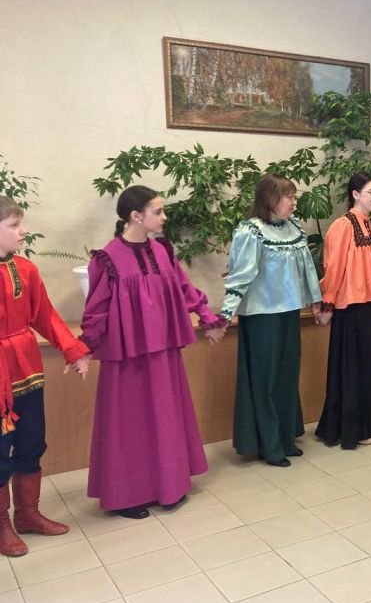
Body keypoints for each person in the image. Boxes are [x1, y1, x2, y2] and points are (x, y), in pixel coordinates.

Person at [80, 186, 225, 520]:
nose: (164, 217)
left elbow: (184, 289)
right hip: (127, 358)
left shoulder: (162, 251)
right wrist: (85, 347)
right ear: (135, 216)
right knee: (128, 424)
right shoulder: (107, 258)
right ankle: (127, 495)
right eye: (158, 211)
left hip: (162, 352)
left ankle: (169, 486)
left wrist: (208, 319)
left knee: (165, 417)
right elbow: (96, 308)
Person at [0, 197, 90, 557]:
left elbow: (45, 315)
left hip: (26, 368)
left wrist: (72, 350)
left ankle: (27, 514)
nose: (23, 231)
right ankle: (1, 525)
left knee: (32, 442)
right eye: (14, 225)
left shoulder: (25, 269)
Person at [220, 174, 322, 467]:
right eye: (289, 196)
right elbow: (240, 274)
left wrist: (315, 300)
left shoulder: (294, 228)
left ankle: (286, 438)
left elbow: (307, 269)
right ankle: (268, 444)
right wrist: (226, 313)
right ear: (270, 199)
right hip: (261, 316)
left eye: (294, 196)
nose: (294, 202)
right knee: (265, 380)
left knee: (287, 376)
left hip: (289, 312)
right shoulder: (251, 230)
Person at [316, 172, 371, 449]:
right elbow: (334, 267)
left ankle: (368, 426)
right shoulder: (342, 226)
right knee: (353, 369)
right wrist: (328, 303)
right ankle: (352, 428)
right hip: (349, 308)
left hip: (369, 307)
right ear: (355, 194)